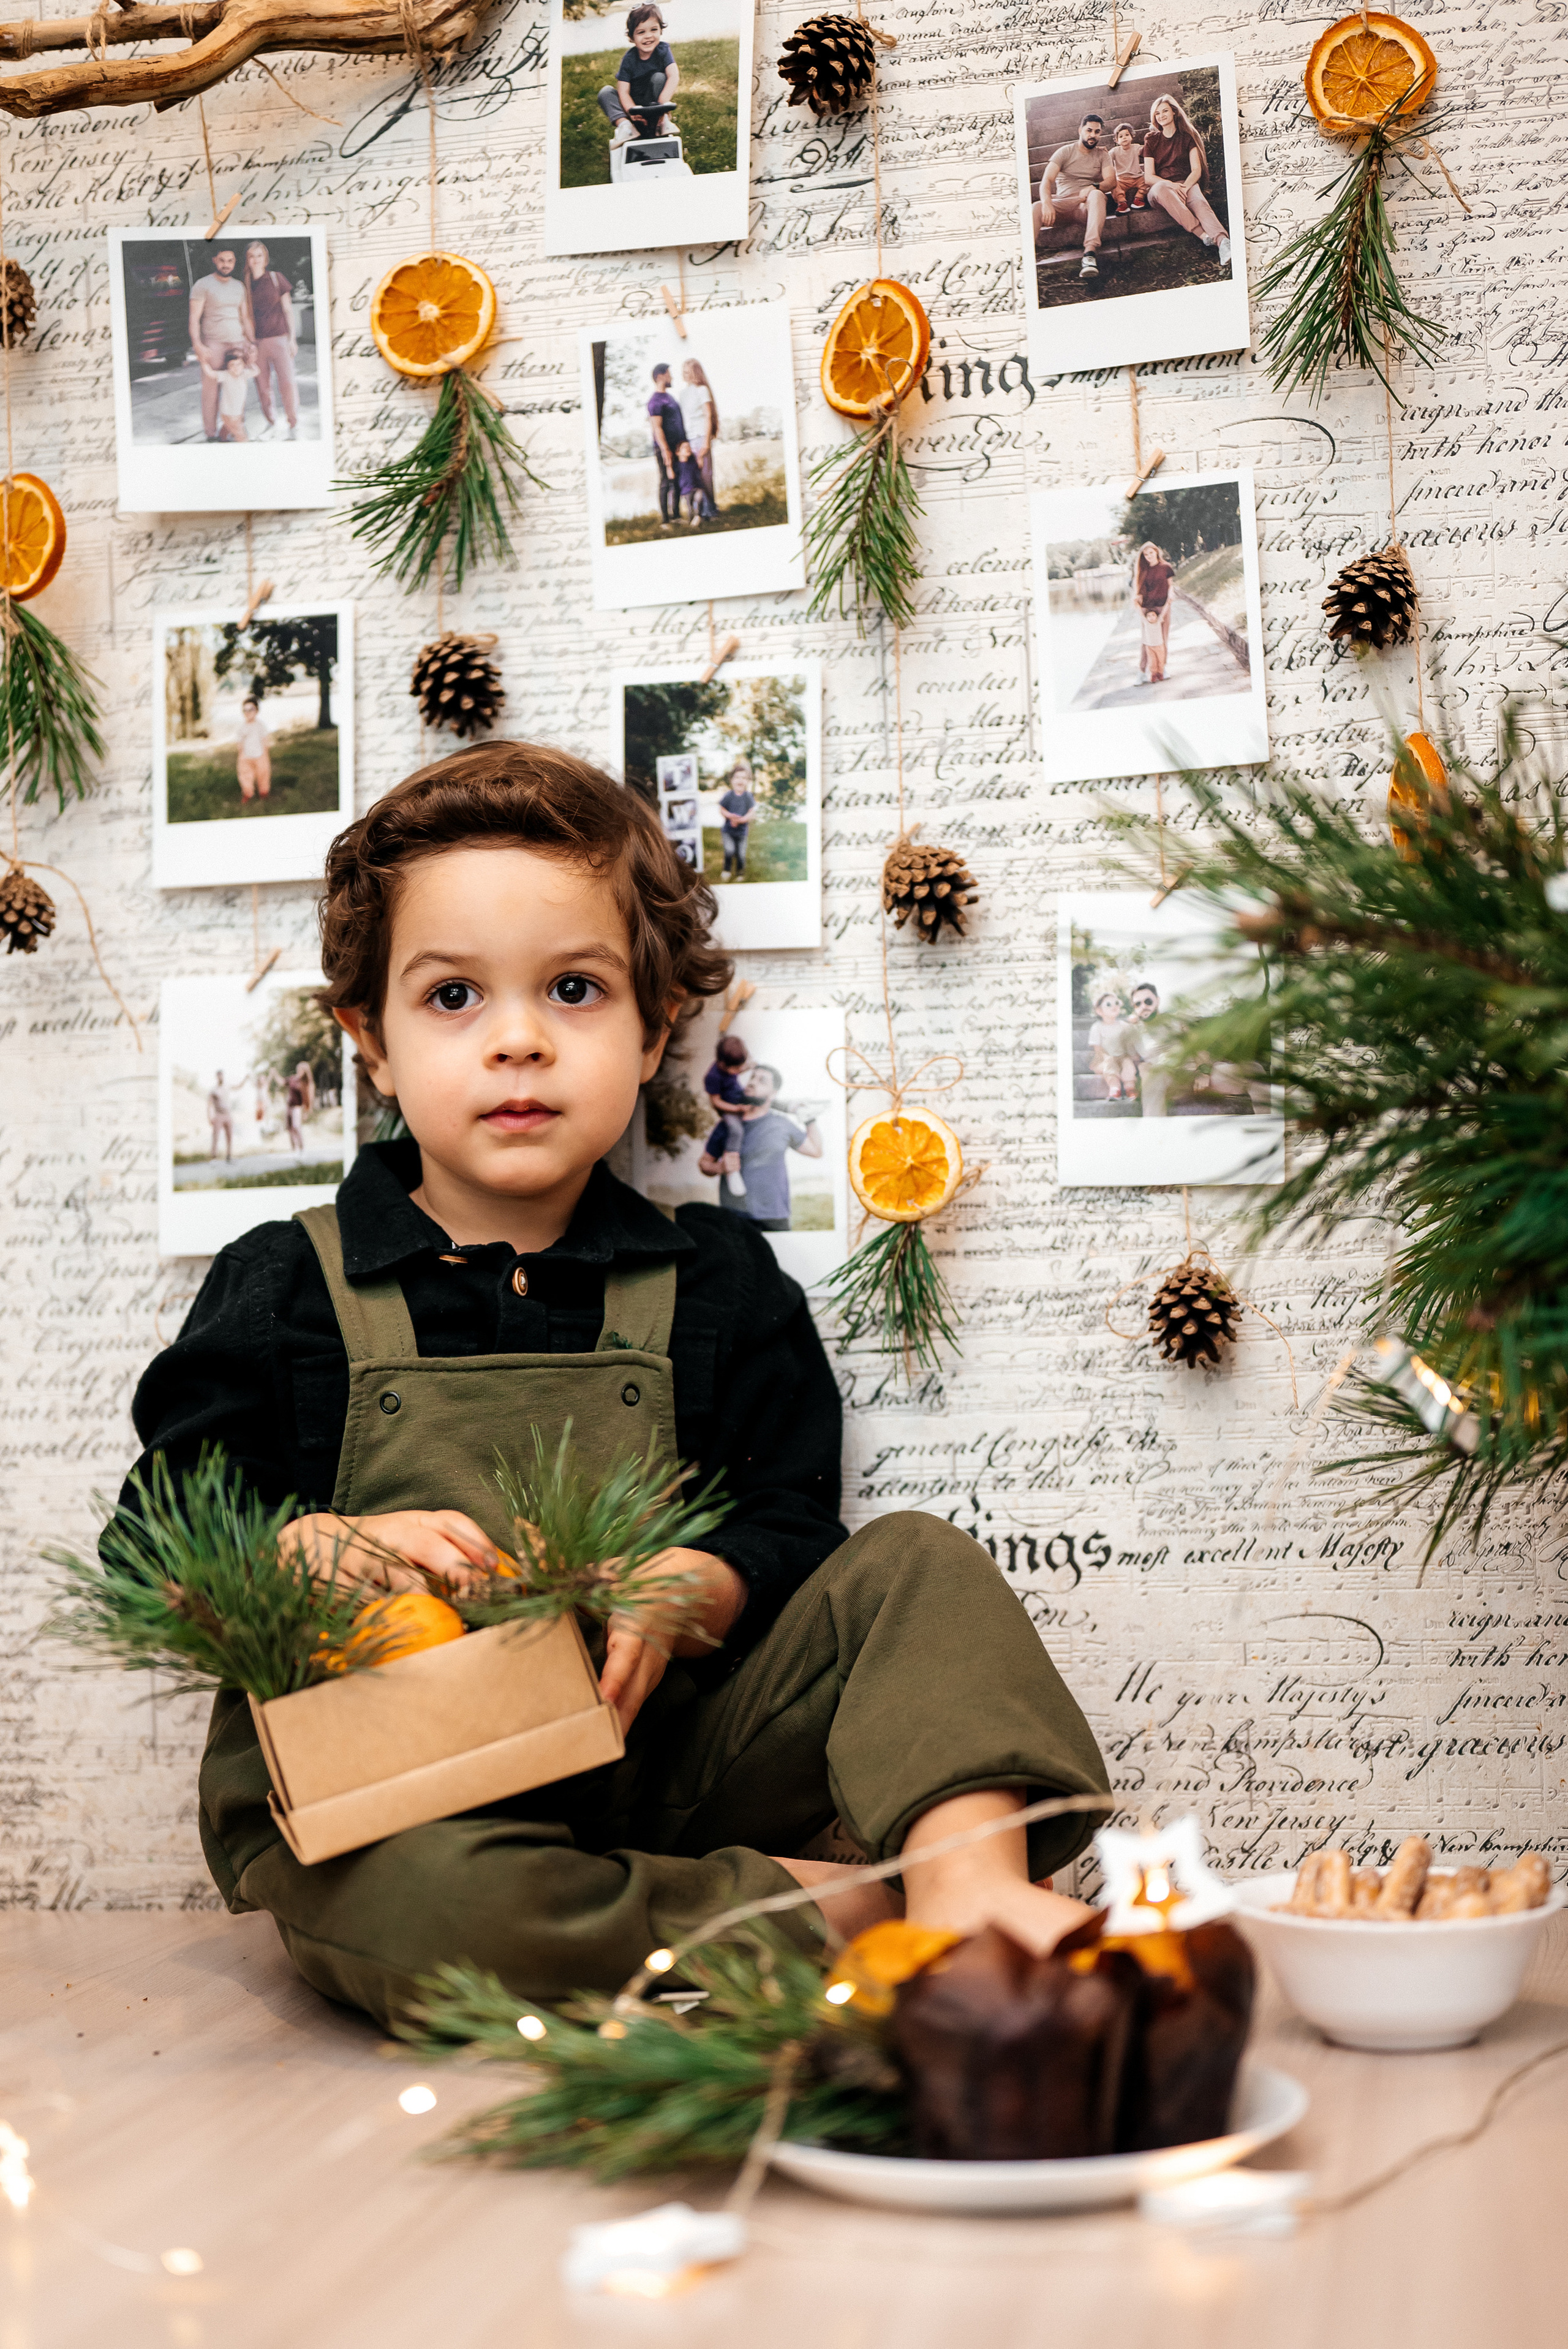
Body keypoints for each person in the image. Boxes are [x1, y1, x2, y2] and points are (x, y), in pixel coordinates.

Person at [122, 740, 1107, 2027]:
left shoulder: (716, 1281)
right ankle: (844, 1908)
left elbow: (793, 1515)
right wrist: (301, 1546)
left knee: (914, 1562)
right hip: (387, 1800)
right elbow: (154, 1536)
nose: (519, 1041)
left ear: (652, 1033)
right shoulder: (287, 1283)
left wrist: (710, 1583)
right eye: (454, 998)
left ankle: (971, 1895)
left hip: (660, 1762)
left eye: (574, 990)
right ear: (371, 1042)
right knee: (452, 1916)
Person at [698, 1063, 822, 1231]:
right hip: (735, 1219)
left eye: (762, 1081)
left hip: (775, 1217)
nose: (752, 1083)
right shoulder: (727, 1125)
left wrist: (810, 1120)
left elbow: (816, 1151)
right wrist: (720, 1167)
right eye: (752, 1078)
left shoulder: (781, 1124)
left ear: (774, 1093)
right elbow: (704, 1164)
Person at [1142, 93, 1232, 269]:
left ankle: (1223, 244)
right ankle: (1202, 234)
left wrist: (1184, 187)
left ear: (1175, 112)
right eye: (1157, 114)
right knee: (1161, 188)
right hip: (1160, 190)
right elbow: (1149, 177)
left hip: (1186, 184)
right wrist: (1172, 186)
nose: (1161, 116)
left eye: (1165, 111)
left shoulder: (1187, 138)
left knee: (1198, 201)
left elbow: (1196, 170)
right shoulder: (1152, 140)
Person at [1033, 112, 1110, 281]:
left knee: (1097, 195)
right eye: (1089, 130)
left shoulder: (1103, 155)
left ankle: (1089, 254)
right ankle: (1026, 256)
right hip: (1064, 205)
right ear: (1080, 130)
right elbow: (1047, 180)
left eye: (1097, 132)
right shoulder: (1065, 152)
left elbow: (1112, 182)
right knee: (1037, 207)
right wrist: (1047, 203)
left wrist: (1093, 186)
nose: (1093, 135)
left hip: (1085, 207)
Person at [188, 246, 255, 443]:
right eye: (222, 260)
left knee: (238, 387)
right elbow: (194, 319)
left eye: (231, 261)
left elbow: (245, 318)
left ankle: (233, 427)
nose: (226, 265)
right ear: (215, 260)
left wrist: (251, 343)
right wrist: (198, 345)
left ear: (235, 263)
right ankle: (210, 432)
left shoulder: (239, 287)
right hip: (214, 343)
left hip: (237, 343)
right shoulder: (203, 285)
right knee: (211, 390)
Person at [597, 4, 679, 145]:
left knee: (660, 77)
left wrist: (662, 106)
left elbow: (674, 76)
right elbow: (623, 91)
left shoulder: (663, 50)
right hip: (633, 106)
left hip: (654, 104)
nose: (648, 36)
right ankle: (626, 126)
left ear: (661, 30)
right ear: (632, 37)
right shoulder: (629, 59)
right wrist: (631, 112)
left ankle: (662, 120)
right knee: (605, 93)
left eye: (654, 30)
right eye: (641, 32)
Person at [244, 240, 300, 442]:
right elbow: (246, 317)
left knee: (287, 383)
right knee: (263, 386)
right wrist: (249, 343)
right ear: (248, 260)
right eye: (252, 256)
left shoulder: (277, 279)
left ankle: (293, 421)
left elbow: (288, 310)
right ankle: (271, 421)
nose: (256, 260)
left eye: (259, 255)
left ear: (265, 259)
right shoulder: (246, 285)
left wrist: (292, 339)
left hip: (280, 339)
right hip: (258, 343)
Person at [703, 1030, 752, 1194]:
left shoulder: (733, 1066)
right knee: (736, 1130)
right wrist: (737, 1109)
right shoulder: (713, 1077)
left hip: (737, 1096)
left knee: (760, 1098)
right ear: (722, 1064)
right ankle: (732, 1169)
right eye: (736, 1068)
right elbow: (716, 1102)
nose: (740, 1070)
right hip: (727, 1108)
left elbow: (740, 1068)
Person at [646, 363, 685, 528]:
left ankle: (676, 516)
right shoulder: (655, 401)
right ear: (660, 376)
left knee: (677, 481)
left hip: (677, 446)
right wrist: (665, 450)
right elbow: (657, 428)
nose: (672, 377)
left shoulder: (670, 398)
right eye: (669, 374)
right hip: (664, 447)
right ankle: (665, 521)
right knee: (665, 481)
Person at [681, 357, 718, 515]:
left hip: (701, 437)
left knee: (705, 476)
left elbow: (708, 416)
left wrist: (706, 443)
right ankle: (697, 512)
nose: (684, 375)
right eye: (683, 372)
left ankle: (710, 511)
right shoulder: (683, 393)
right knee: (692, 479)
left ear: (695, 372)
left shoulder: (702, 390)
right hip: (688, 441)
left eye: (688, 372)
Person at [1134, 540, 1175, 684]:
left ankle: (1162, 668)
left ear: (1156, 552)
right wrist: (1137, 597)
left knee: (1163, 638)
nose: (1149, 556)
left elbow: (1170, 586)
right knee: (1147, 641)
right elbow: (1139, 590)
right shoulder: (1143, 570)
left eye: (1151, 553)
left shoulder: (1166, 567)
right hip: (1147, 608)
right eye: (1146, 554)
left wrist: (1171, 594)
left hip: (1163, 607)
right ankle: (1141, 672)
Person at [1087, 988, 1139, 1102]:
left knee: (1128, 1064)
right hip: (1104, 1058)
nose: (1114, 1006)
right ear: (1099, 1011)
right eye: (1109, 1005)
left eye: (1116, 1003)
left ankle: (1130, 1088)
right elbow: (1098, 1049)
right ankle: (1115, 1089)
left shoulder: (1123, 1025)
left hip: (1122, 1057)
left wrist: (1135, 1020)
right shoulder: (1097, 1027)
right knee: (1110, 1065)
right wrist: (1108, 1058)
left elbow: (1134, 1034)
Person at [718, 757, 756, 879]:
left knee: (741, 854)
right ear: (732, 780)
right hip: (728, 831)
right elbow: (722, 809)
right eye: (737, 777)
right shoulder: (728, 796)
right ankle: (727, 870)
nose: (740, 780)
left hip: (742, 832)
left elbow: (752, 813)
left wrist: (740, 820)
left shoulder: (748, 797)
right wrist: (730, 816)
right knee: (729, 850)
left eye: (744, 778)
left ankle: (740, 872)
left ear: (748, 781)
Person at [215, 348, 258, 443]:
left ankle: (221, 439)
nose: (236, 367)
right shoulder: (226, 375)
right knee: (241, 436)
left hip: (238, 411)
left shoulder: (244, 374)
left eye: (239, 364)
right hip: (228, 412)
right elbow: (211, 374)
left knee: (228, 427)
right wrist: (204, 362)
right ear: (227, 367)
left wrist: (250, 362)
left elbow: (256, 371)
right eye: (232, 365)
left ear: (244, 365)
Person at [236, 697, 271, 802]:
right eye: (245, 710)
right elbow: (240, 741)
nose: (248, 712)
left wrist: (265, 752)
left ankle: (264, 791)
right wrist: (241, 753)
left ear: (256, 711)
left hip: (260, 754)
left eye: (251, 709)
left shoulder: (260, 725)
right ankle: (248, 793)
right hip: (246, 756)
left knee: (263, 773)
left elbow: (265, 739)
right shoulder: (242, 727)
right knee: (245, 775)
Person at [1107, 122, 1147, 211]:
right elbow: (1106, 158)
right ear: (1116, 141)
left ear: (1132, 136)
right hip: (1122, 179)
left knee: (1148, 180)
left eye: (1127, 135)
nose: (1124, 137)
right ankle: (1122, 203)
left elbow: (1147, 149)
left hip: (1138, 177)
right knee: (1114, 185)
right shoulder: (1115, 151)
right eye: (1121, 136)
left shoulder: (1136, 147)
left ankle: (1139, 198)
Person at [676, 437, 714, 526]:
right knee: (690, 507)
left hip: (696, 487)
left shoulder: (693, 463)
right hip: (686, 490)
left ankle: (699, 516)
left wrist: (700, 456)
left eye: (689, 447)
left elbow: (700, 466)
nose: (688, 448)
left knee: (699, 499)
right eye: (685, 447)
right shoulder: (677, 466)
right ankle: (692, 520)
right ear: (678, 453)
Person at [284, 1059, 315, 1152]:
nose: (298, 1072)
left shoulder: (309, 1083)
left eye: (300, 1070)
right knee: (292, 1128)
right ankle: (295, 1148)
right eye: (298, 1070)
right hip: (292, 1107)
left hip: (300, 1107)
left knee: (297, 1127)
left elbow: (310, 1098)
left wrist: (307, 1110)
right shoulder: (297, 1081)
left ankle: (301, 1148)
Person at [207, 1069, 237, 1160]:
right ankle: (214, 1157)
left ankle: (229, 1156)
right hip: (218, 1115)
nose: (221, 1077)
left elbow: (238, 1086)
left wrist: (245, 1079)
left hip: (227, 1115)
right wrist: (210, 1117)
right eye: (219, 1076)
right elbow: (209, 1104)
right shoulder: (214, 1090)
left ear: (223, 1076)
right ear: (217, 1077)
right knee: (216, 1136)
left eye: (222, 1075)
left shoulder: (227, 1086)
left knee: (230, 1136)